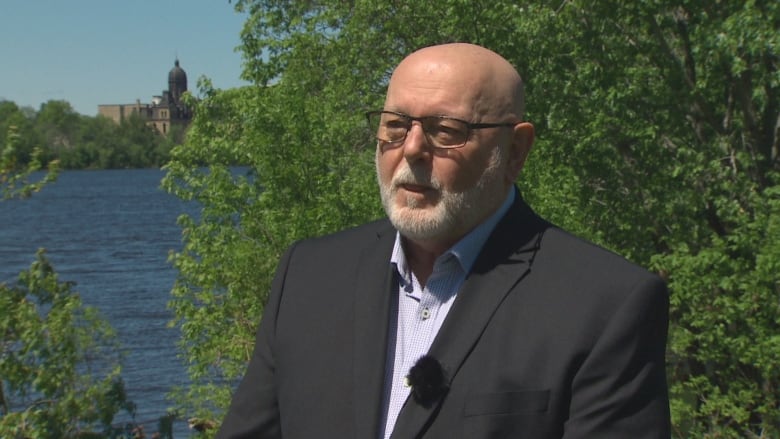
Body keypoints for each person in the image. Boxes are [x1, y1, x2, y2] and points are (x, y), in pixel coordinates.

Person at [216, 43, 670, 438]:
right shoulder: (309, 276)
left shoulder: (603, 305)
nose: (412, 148)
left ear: (514, 151)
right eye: (395, 125)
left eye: (446, 131)